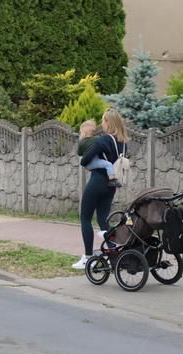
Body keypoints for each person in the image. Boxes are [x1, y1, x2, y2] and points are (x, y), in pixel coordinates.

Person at [72, 108, 128, 269]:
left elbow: (85, 160)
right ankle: (113, 256)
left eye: (103, 121)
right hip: (111, 184)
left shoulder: (104, 140)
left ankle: (87, 257)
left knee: (85, 217)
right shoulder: (123, 143)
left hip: (97, 180)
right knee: (103, 219)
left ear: (108, 122)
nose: (101, 124)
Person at [77, 119, 122, 188]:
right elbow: (101, 140)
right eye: (93, 131)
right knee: (108, 164)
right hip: (93, 162)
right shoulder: (96, 139)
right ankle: (112, 180)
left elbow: (79, 153)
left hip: (89, 164)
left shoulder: (81, 142)